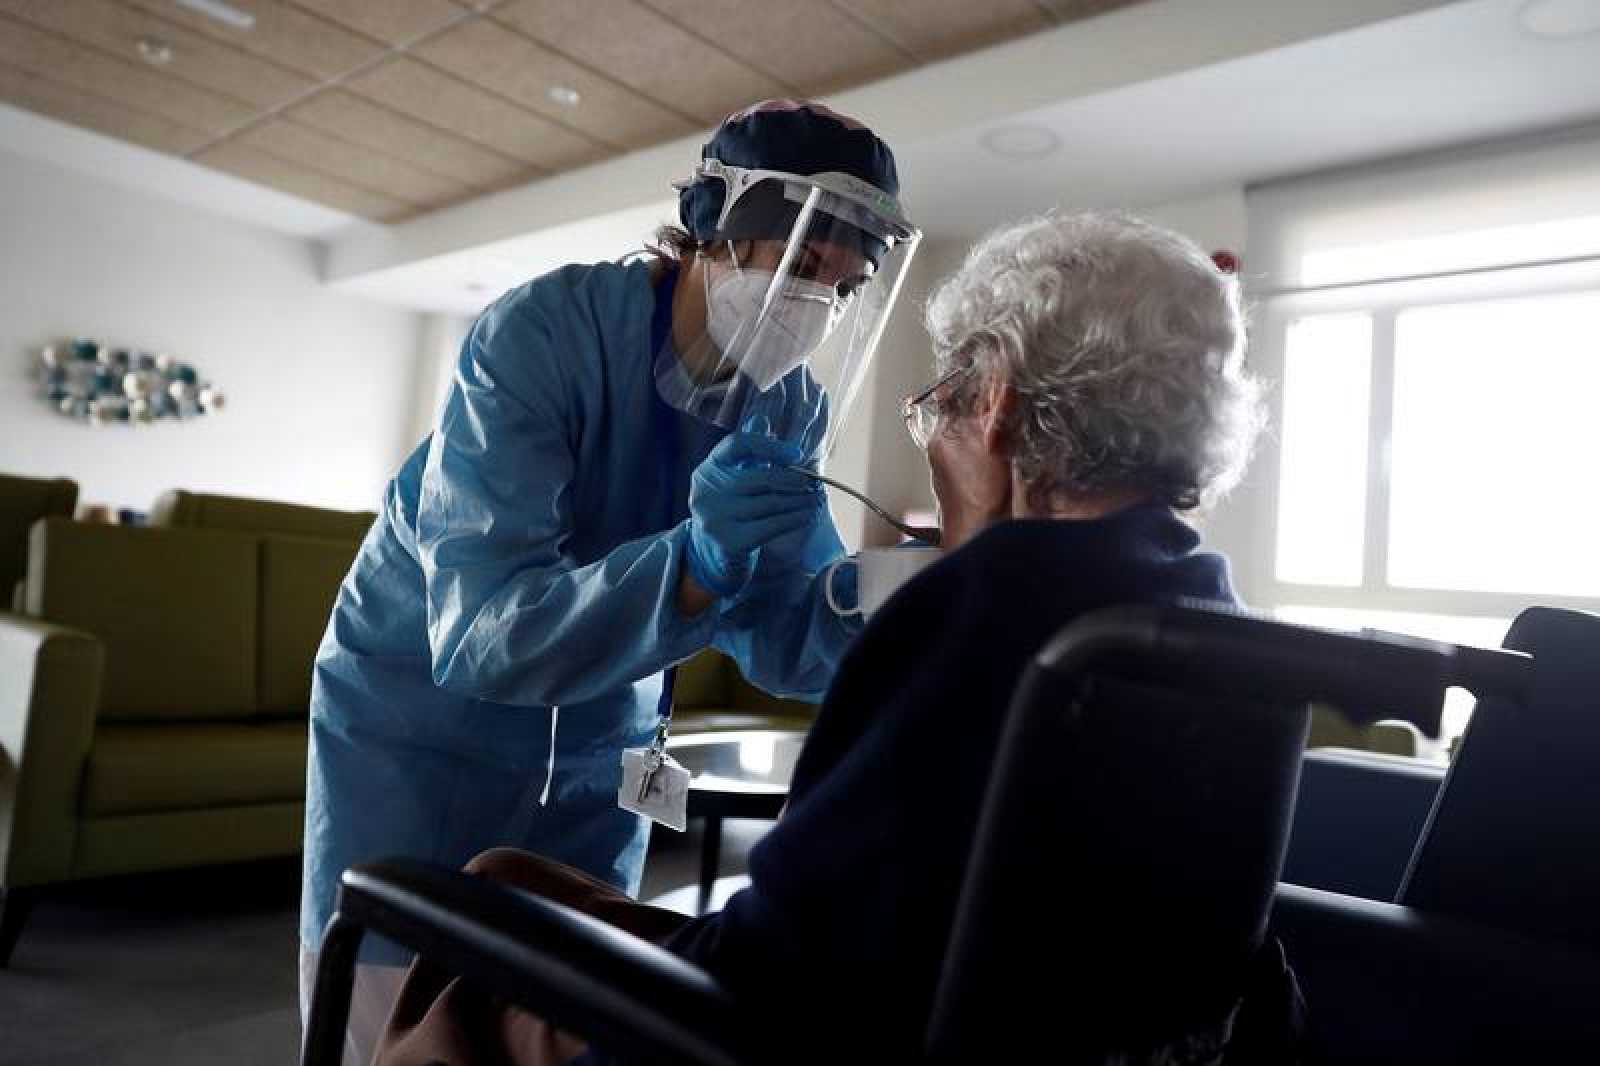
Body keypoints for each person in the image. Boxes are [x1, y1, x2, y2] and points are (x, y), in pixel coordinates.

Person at [372, 210, 1301, 1065]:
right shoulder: (1223, 629)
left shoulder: (980, 616)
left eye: (944, 397)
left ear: (998, 404)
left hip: (772, 1033)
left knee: (469, 928)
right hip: (1039, 1030)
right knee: (510, 874)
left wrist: (974, 564)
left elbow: (773, 967)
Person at [298, 98, 922, 1060]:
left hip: (605, 740)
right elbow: (478, 637)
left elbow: (782, 642)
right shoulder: (542, 335)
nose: (815, 306)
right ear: (714, 227)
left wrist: (874, 601)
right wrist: (696, 563)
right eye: (801, 264)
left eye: (841, 287)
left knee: (578, 1010)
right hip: (419, 733)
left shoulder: (788, 403)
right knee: (394, 1020)